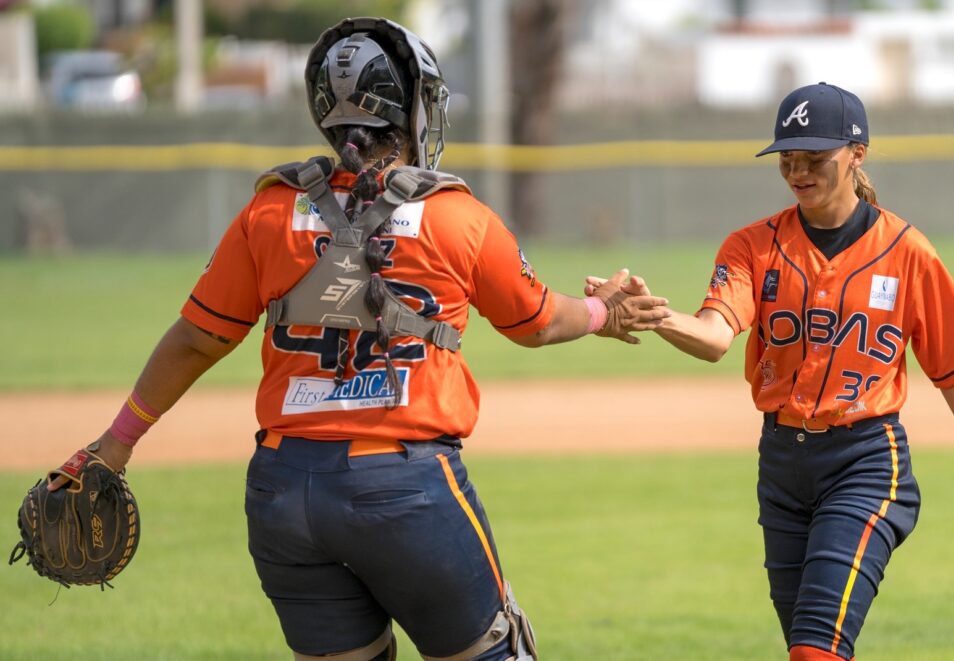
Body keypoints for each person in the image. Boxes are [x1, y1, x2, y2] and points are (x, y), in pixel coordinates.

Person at [49, 17, 667, 661]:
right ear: (411, 110)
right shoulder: (458, 218)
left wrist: (115, 444)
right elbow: (537, 321)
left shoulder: (269, 212)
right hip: (405, 490)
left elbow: (197, 339)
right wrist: (602, 312)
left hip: (283, 494)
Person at [588, 82, 954, 661]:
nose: (798, 171)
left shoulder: (907, 252)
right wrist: (656, 315)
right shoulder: (752, 246)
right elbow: (717, 336)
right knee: (811, 647)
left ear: (856, 155)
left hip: (867, 465)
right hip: (781, 470)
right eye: (788, 159)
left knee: (815, 648)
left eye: (814, 158)